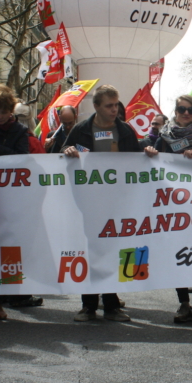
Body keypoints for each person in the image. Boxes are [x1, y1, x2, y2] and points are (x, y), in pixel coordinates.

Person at [144, 96, 192, 324]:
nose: (186, 113)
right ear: (176, 111)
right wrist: (150, 152)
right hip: (173, 203)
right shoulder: (165, 135)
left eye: (190, 110)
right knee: (177, 252)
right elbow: (155, 161)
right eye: (181, 109)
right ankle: (183, 303)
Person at [63, 85, 139, 322]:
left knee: (113, 251)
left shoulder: (125, 131)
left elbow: (138, 164)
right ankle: (88, 305)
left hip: (117, 202)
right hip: (89, 202)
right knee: (92, 250)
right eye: (109, 105)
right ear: (96, 106)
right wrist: (68, 150)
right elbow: (59, 152)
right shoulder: (81, 131)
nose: (114, 109)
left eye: (116, 104)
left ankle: (112, 304)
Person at [0, 85, 40, 320]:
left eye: (3, 111)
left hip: (11, 198)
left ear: (10, 110)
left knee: (7, 250)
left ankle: (1, 301)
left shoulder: (19, 130)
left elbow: (22, 158)